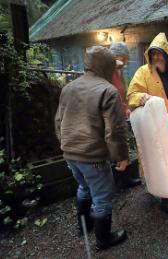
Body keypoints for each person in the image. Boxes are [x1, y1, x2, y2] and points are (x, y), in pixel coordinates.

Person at [55, 46, 129, 250]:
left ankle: (83, 226)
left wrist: (67, 146)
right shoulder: (108, 91)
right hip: (93, 157)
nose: (116, 71)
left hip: (69, 154)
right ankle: (103, 239)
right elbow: (114, 130)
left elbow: (58, 121)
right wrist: (121, 156)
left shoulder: (68, 87)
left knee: (83, 187)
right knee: (102, 197)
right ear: (106, 67)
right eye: (114, 68)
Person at [127, 32, 168, 220]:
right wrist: (142, 97)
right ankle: (165, 198)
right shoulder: (142, 73)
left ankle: (166, 198)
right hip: (154, 129)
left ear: (167, 55)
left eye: (159, 53)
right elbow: (131, 95)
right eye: (153, 53)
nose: (156, 57)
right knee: (157, 162)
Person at [109, 42, 142, 189]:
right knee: (114, 148)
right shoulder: (106, 71)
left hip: (120, 113)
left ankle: (125, 179)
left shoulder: (119, 72)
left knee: (123, 146)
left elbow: (122, 93)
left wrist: (126, 107)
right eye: (121, 58)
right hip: (110, 115)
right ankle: (114, 182)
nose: (123, 62)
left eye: (124, 59)